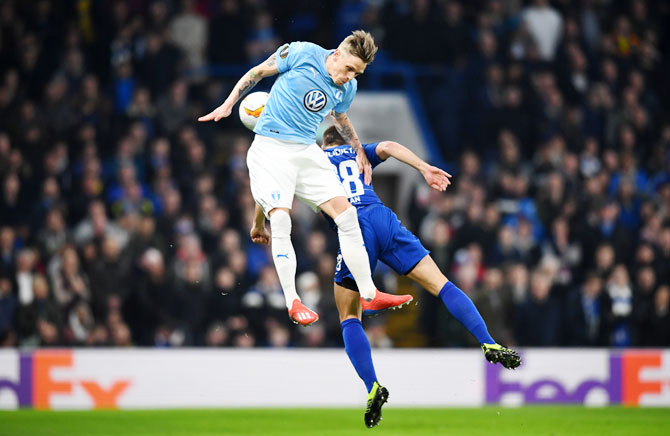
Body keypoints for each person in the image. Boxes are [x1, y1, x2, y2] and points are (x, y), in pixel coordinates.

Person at [200, 31, 406, 326]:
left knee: (347, 216)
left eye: (357, 73)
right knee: (282, 220)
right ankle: (293, 300)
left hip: (307, 151)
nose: (350, 77)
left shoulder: (348, 87)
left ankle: (369, 292)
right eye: (349, 68)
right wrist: (228, 104)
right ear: (336, 53)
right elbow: (257, 72)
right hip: (271, 146)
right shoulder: (301, 53)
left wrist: (358, 149)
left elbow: (340, 117)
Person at [328, 127, 521, 427]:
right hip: (383, 218)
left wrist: (260, 221)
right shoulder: (357, 151)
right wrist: (424, 168)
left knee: (349, 316)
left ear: (324, 143)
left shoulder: (312, 159)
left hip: (354, 228)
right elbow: (390, 145)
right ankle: (488, 342)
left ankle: (372, 386)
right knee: (443, 284)